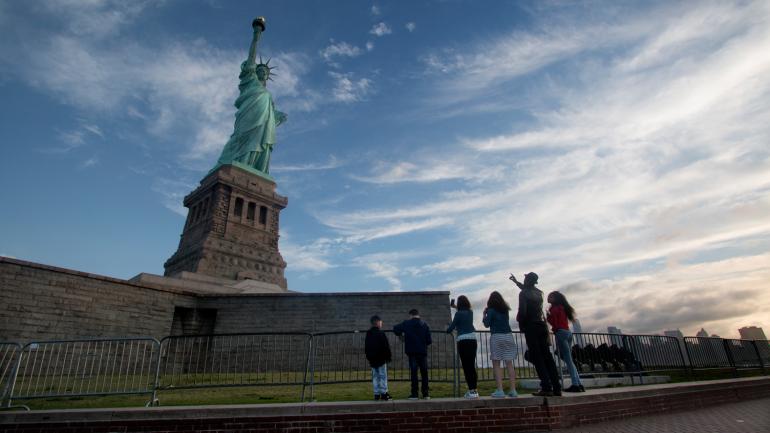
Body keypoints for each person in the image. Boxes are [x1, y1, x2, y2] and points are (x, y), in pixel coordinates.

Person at [212, 18, 287, 175]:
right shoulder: (250, 81)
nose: (263, 72)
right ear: (254, 71)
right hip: (249, 117)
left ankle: (254, 169)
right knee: (241, 138)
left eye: (266, 72)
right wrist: (256, 35)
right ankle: (237, 164)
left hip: (263, 124)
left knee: (261, 144)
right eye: (260, 69)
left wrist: (277, 116)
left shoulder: (268, 95)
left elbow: (272, 115)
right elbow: (252, 57)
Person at [511, 272, 562, 397]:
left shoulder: (524, 293)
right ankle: (557, 387)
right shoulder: (539, 293)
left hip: (531, 326)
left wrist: (521, 324)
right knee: (548, 357)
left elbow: (522, 312)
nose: (524, 279)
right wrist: (516, 282)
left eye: (525, 278)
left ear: (528, 280)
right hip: (542, 327)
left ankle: (546, 387)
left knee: (537, 357)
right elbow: (527, 290)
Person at [482, 291, 518, 398]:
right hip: (508, 335)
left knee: (496, 364)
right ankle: (513, 390)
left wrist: (485, 314)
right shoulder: (505, 310)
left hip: (497, 336)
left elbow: (486, 324)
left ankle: (500, 390)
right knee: (509, 364)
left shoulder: (491, 310)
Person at [393, 309, 432, 399]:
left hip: (412, 352)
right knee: (424, 372)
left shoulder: (406, 323)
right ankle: (425, 393)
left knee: (414, 373)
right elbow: (429, 341)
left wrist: (402, 334)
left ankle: (414, 394)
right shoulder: (424, 324)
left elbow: (395, 329)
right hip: (422, 352)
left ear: (410, 315)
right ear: (418, 315)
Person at [446, 296, 479, 399]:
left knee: (466, 366)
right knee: (472, 366)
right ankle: (474, 390)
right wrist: (454, 306)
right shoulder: (470, 312)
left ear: (459, 304)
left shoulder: (458, 314)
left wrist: (448, 329)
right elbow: (463, 312)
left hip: (463, 341)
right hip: (473, 340)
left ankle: (471, 391)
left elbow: (451, 327)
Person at [365, 315, 393, 401]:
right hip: (381, 359)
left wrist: (369, 357)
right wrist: (388, 357)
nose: (382, 323)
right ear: (377, 323)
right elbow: (385, 346)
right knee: (383, 376)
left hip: (372, 359)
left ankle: (376, 394)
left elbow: (366, 347)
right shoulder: (381, 333)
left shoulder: (368, 334)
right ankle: (384, 393)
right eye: (381, 322)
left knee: (375, 376)